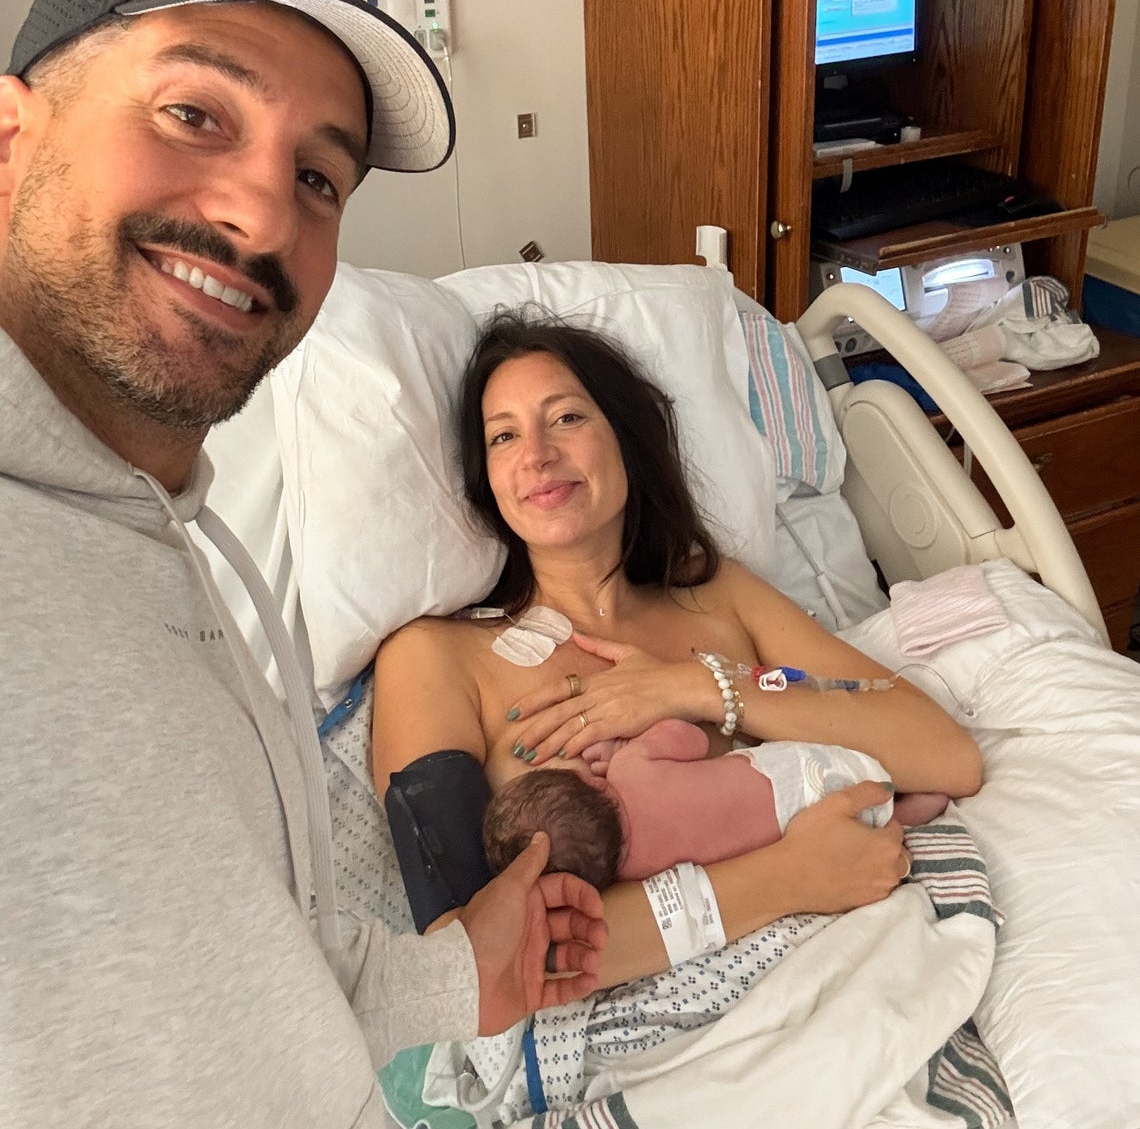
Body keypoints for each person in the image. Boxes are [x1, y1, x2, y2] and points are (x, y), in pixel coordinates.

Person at [0, 0, 605, 1129]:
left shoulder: (175, 553)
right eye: (194, 113)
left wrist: (456, 977)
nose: (264, 212)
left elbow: (232, 973)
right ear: (11, 139)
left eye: (320, 177)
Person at [373, 311, 982, 989]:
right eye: (503, 436)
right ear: (486, 478)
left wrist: (697, 687)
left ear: (626, 437)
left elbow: (946, 757)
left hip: (853, 969)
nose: (536, 454)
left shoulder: (720, 597)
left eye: (567, 418)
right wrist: (786, 877)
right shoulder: (434, 660)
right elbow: (466, 965)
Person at [483, 720, 951, 890]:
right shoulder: (629, 768)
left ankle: (908, 813)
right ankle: (910, 781)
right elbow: (688, 739)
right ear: (592, 783)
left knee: (880, 819)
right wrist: (629, 745)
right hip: (801, 770)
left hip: (804, 832)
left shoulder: (635, 876)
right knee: (864, 768)